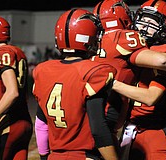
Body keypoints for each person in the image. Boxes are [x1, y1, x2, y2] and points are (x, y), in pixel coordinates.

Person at [92, 0, 166, 149]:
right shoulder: (130, 47)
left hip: (151, 128)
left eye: (152, 21)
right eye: (143, 19)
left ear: (164, 28)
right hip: (127, 127)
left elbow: (150, 97)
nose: (144, 25)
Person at [33, 9, 118, 160]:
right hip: (84, 155)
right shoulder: (93, 71)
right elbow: (98, 129)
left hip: (55, 156)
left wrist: (45, 157)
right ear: (88, 38)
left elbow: (41, 124)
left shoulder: (43, 70)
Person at [0, 16, 33, 160]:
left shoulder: (1, 54)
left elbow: (12, 92)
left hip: (8, 123)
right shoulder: (17, 51)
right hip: (24, 121)